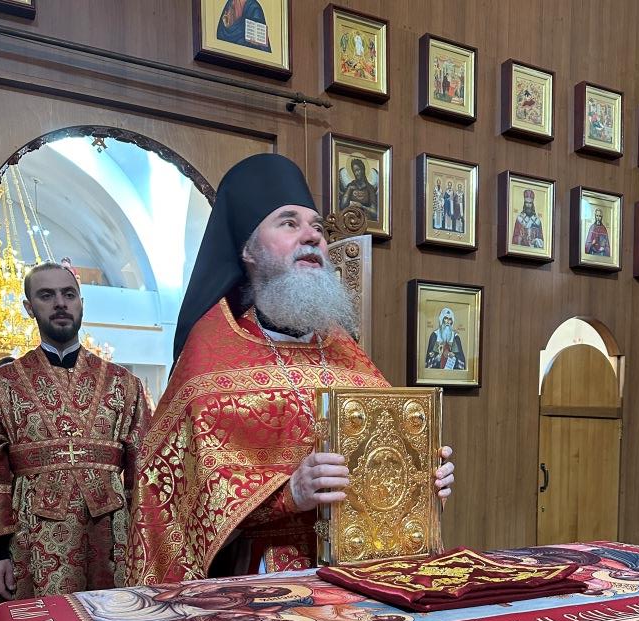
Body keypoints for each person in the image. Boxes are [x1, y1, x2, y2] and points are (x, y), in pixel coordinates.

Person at [126, 153, 454, 584]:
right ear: (247, 250)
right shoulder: (208, 358)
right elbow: (170, 506)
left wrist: (422, 481)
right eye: (288, 223)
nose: (312, 236)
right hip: (258, 586)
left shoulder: (346, 353)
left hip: (362, 576)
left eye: (317, 227)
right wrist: (288, 496)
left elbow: (381, 469)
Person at [0, 262, 151, 599]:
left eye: (68, 294)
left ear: (81, 302)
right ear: (29, 308)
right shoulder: (1, 384)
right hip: (32, 537)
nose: (60, 303)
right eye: (46, 295)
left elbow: (145, 466)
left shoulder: (124, 383)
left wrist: (146, 541)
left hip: (113, 534)